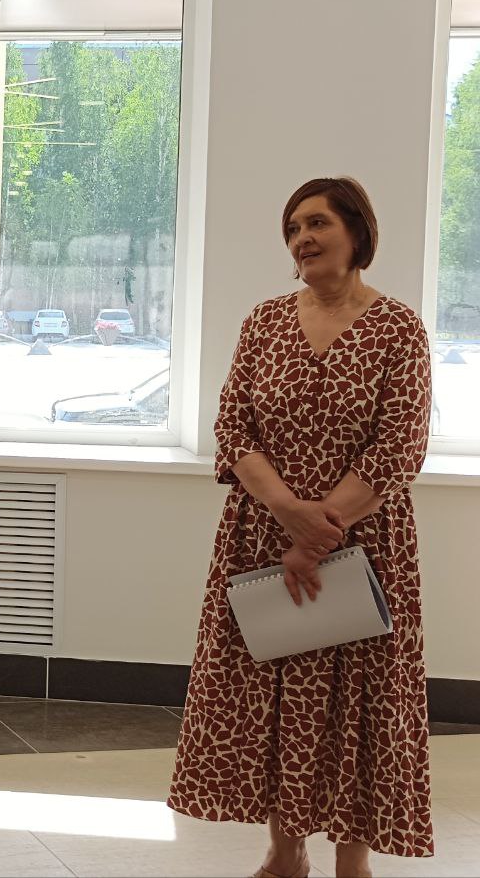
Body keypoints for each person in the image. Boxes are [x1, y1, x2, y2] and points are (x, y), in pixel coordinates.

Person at [168, 177, 434, 878]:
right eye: (292, 229)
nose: (302, 239)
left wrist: (319, 533)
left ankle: (354, 861)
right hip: (263, 535)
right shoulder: (263, 322)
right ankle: (285, 853)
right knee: (273, 694)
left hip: (366, 546)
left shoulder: (398, 328)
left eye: (316, 223)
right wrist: (290, 514)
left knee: (358, 700)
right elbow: (233, 429)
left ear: (357, 231)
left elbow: (400, 445)